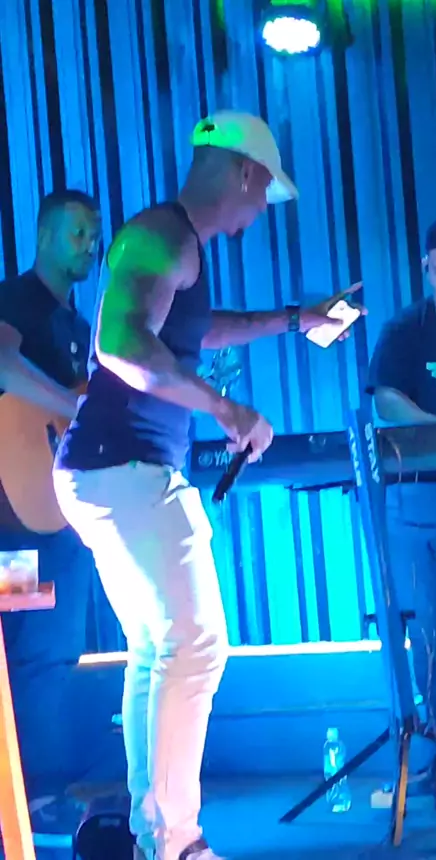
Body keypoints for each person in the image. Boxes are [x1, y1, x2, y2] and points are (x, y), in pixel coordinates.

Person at [52, 111, 363, 860]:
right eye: (265, 193)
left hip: (105, 470)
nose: (261, 211)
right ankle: (176, 841)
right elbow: (121, 344)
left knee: (158, 648)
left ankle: (152, 834)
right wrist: (227, 409)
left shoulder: (176, 242)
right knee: (194, 644)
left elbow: (195, 330)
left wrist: (296, 319)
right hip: (123, 467)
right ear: (246, 172)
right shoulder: (162, 235)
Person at [367, 213, 436, 796]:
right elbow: (386, 398)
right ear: (425, 268)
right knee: (429, 639)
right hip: (417, 500)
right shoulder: (406, 328)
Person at [0, 190, 101, 822]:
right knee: (33, 651)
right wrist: (73, 407)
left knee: (54, 651)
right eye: (77, 233)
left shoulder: (80, 327)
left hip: (61, 516)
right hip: (16, 519)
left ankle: (40, 795)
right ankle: (35, 795)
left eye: (95, 235)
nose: (90, 246)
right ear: (42, 235)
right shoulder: (16, 299)